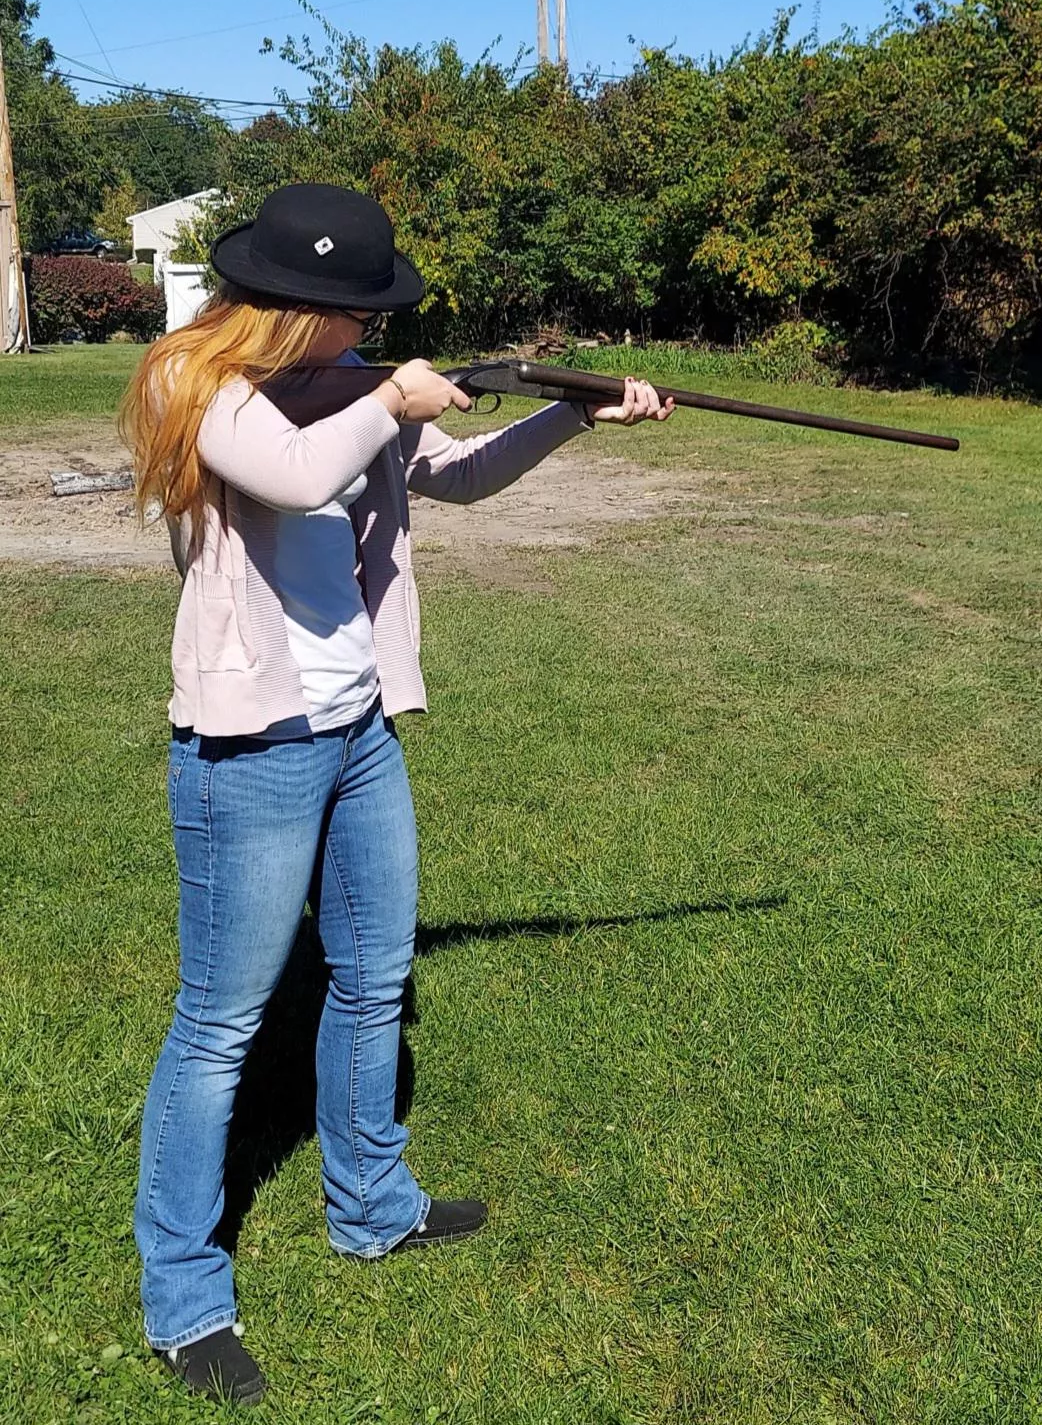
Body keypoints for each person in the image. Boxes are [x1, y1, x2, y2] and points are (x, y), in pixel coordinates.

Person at [122, 182, 674, 1406]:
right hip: (251, 740)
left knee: (373, 978)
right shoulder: (190, 383)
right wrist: (389, 395)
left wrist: (576, 413)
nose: (362, 334)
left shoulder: (354, 379)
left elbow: (462, 478)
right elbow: (301, 477)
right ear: (294, 305)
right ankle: (183, 1297)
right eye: (351, 315)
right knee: (221, 1024)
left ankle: (373, 1207)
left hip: (356, 723)